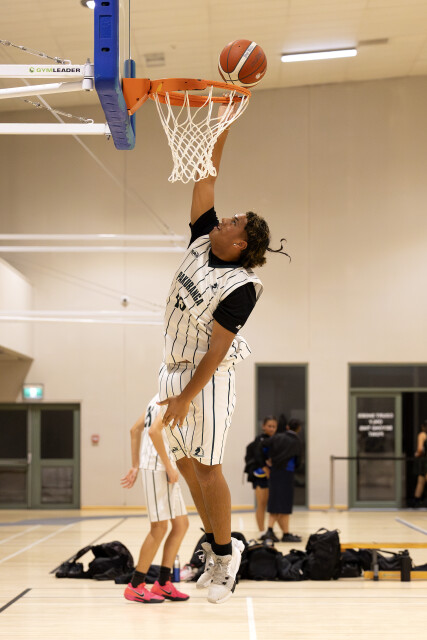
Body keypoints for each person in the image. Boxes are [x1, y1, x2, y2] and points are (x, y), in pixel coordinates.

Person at [156, 103, 287, 604]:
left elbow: (215, 350)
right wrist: (223, 122)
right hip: (174, 369)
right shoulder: (201, 239)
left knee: (209, 468)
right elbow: (206, 175)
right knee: (188, 466)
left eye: (233, 221)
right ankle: (214, 547)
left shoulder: (242, 286)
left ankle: (228, 559)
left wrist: (186, 396)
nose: (224, 217)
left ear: (240, 244)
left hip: (209, 377)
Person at [120, 394, 190, 603]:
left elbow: (135, 430)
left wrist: (135, 465)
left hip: (161, 467)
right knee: (159, 528)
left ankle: (163, 582)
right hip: (158, 467)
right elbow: (152, 431)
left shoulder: (158, 397)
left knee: (181, 525)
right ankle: (135, 585)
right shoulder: (172, 397)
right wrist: (168, 466)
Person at [263, 418, 303, 543]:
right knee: (285, 504)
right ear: (298, 429)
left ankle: (284, 533)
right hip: (287, 473)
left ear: (287, 427)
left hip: (275, 472)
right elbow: (298, 460)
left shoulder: (277, 437)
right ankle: (272, 531)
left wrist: (266, 461)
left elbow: (262, 446)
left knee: (276, 501)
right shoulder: (297, 441)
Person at [244, 416, 278, 538]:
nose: (272, 428)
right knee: (262, 504)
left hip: (274, 476)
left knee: (274, 505)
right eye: (269, 426)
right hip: (260, 476)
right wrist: (264, 467)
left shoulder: (277, 440)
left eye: (274, 426)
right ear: (263, 426)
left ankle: (271, 530)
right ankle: (261, 531)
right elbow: (257, 456)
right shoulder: (259, 441)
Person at [413, 420, 427, 508]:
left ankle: (417, 502)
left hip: (424, 461)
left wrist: (417, 454)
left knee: (421, 482)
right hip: (424, 462)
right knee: (421, 481)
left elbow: (420, 449)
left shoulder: (422, 435)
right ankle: (417, 502)